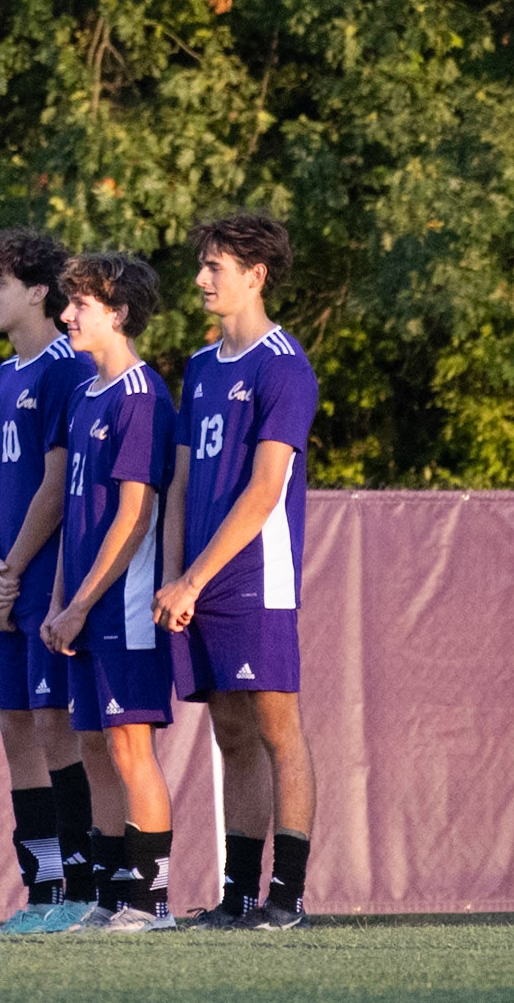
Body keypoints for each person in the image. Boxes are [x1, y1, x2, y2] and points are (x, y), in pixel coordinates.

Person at [152, 212, 319, 930]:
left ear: (254, 275)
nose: (200, 278)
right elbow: (183, 480)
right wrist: (174, 576)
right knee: (228, 732)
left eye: (214, 266)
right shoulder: (198, 365)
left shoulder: (284, 364)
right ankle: (238, 895)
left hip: (254, 572)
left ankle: (286, 896)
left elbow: (263, 490)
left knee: (277, 726)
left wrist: (195, 578)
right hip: (198, 580)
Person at [42, 252, 178, 933]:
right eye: (68, 303)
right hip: (84, 608)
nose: (68, 315)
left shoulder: (142, 396)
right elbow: (77, 512)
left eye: (82, 304)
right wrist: (59, 603)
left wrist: (80, 602)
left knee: (130, 748)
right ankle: (108, 893)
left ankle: (152, 904)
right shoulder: (84, 394)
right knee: (93, 744)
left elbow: (133, 517)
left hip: (123, 608)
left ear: (119, 313)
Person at [0, 229, 97, 935]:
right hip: (7, 584)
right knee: (13, 723)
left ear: (38, 291)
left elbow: (54, 486)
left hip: (44, 579)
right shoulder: (4, 374)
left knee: (56, 725)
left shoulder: (63, 367)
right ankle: (43, 886)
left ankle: (82, 885)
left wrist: (14, 569)